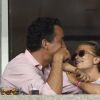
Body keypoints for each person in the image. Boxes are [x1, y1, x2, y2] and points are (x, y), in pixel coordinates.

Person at [1, 17, 82, 95]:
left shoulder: (47, 67)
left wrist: (77, 73)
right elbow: (50, 97)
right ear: (45, 44)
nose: (64, 47)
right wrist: (58, 58)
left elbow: (78, 88)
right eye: (61, 41)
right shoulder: (19, 66)